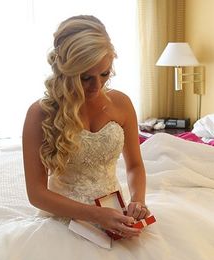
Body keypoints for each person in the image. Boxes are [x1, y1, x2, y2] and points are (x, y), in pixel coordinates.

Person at [22, 15, 150, 240]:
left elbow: (135, 166)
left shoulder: (121, 103)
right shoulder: (40, 113)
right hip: (64, 219)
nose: (97, 86)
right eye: (85, 77)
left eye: (104, 74)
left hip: (116, 213)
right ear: (66, 72)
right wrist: (97, 215)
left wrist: (138, 201)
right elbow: (37, 194)